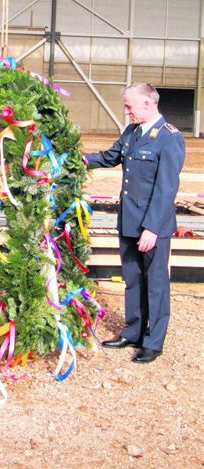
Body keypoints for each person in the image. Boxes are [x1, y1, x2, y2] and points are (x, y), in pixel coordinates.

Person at [83, 83, 185, 364]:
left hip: (152, 226)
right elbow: (110, 157)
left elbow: (166, 189)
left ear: (148, 104)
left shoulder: (169, 138)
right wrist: (80, 159)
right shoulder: (132, 132)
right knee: (133, 280)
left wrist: (152, 228)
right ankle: (134, 331)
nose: (126, 111)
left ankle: (153, 342)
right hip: (129, 220)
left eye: (130, 106)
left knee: (156, 283)